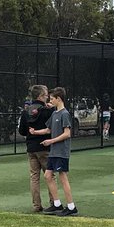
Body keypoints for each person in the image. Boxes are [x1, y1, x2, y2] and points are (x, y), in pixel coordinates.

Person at [17, 84, 53, 212]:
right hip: (45, 146)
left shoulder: (26, 111)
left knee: (34, 177)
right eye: (46, 95)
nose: (48, 97)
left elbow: (21, 131)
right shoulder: (47, 111)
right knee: (49, 175)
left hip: (31, 148)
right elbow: (52, 128)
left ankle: (36, 205)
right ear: (40, 96)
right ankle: (54, 203)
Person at [42, 86, 78, 215]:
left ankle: (71, 206)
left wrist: (51, 141)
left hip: (62, 151)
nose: (50, 101)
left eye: (52, 99)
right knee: (47, 175)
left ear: (59, 99)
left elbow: (67, 134)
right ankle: (57, 204)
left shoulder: (65, 114)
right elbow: (48, 130)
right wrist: (34, 132)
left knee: (63, 178)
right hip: (53, 152)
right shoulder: (54, 113)